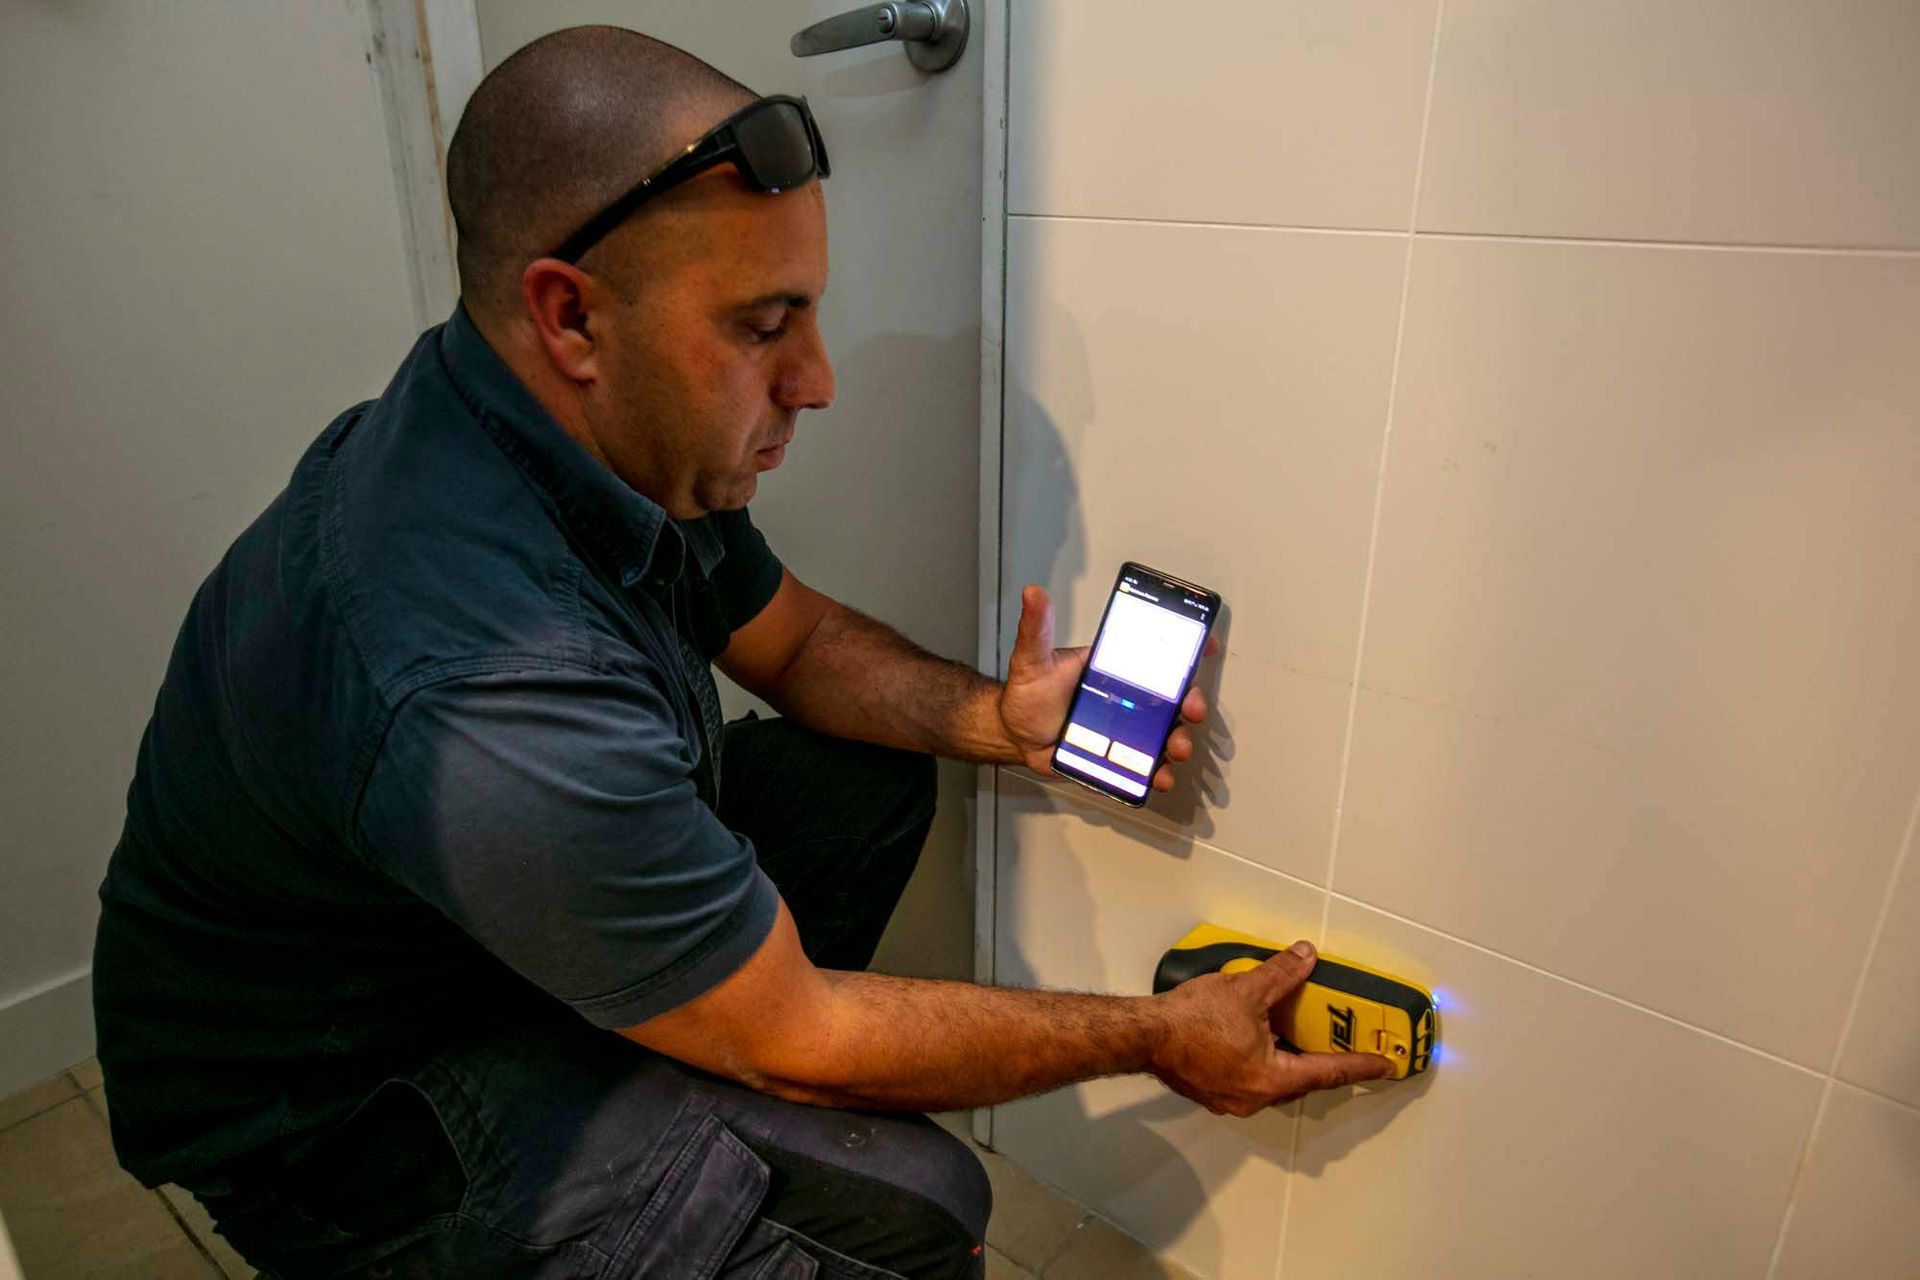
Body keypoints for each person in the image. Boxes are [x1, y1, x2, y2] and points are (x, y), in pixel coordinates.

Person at [91, 25, 1390, 1280]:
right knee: (915, 1209)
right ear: (573, 320)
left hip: (473, 928)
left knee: (862, 775)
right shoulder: (479, 670)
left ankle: (674, 1025)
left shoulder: (579, 440)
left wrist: (999, 719)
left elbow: (807, 644)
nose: (817, 380)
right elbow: (805, 1038)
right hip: (347, 1111)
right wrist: (1162, 1037)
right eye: (766, 328)